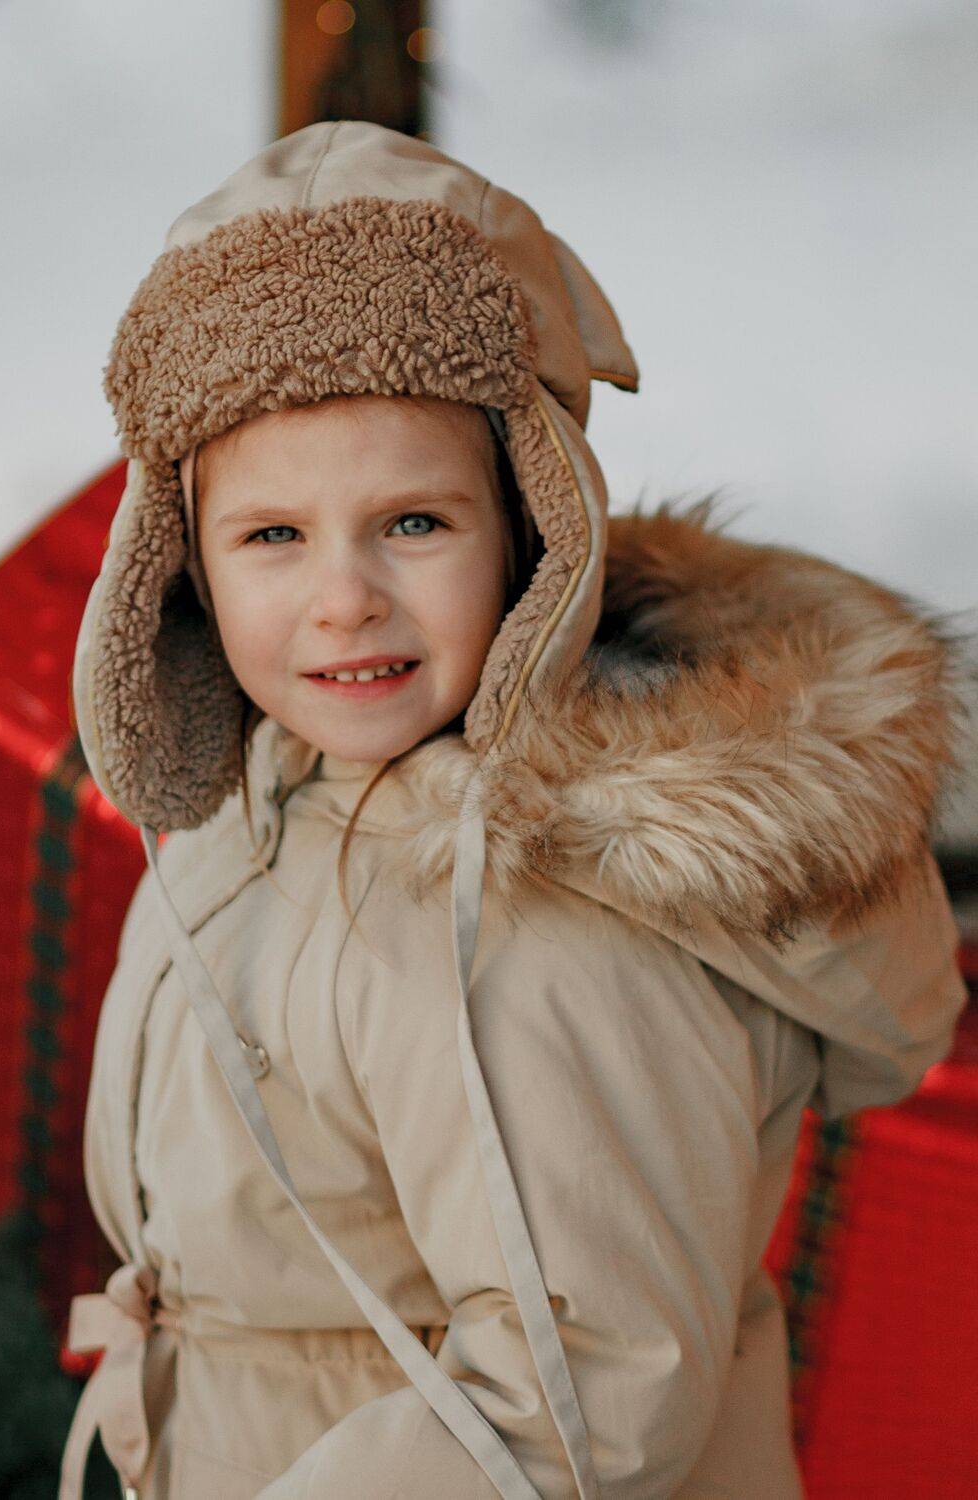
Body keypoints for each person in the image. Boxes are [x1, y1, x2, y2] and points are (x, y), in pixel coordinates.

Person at [60, 121, 969, 1500]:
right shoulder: (273, 789)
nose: (344, 598)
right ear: (178, 561)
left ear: (532, 534)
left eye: (414, 523)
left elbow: (580, 1393)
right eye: (273, 535)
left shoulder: (531, 929)